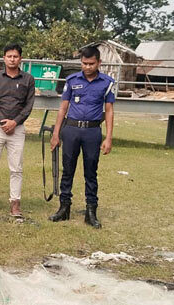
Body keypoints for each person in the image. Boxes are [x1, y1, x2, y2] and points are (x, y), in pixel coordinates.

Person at [48, 46, 115, 228]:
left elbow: (108, 111)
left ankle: (91, 211)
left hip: (92, 132)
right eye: (84, 63)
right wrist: (56, 133)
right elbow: (63, 107)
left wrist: (108, 137)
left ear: (99, 63)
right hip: (71, 130)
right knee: (67, 169)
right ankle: (64, 208)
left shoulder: (106, 83)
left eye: (91, 64)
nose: (87, 67)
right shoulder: (72, 80)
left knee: (91, 172)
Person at [0, 43, 35, 218]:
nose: (12, 59)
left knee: (16, 168)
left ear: (20, 59)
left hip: (17, 129)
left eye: (15, 56)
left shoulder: (28, 79)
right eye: (9, 56)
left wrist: (15, 122)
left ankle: (15, 203)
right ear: (3, 57)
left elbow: (28, 105)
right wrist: (3, 122)